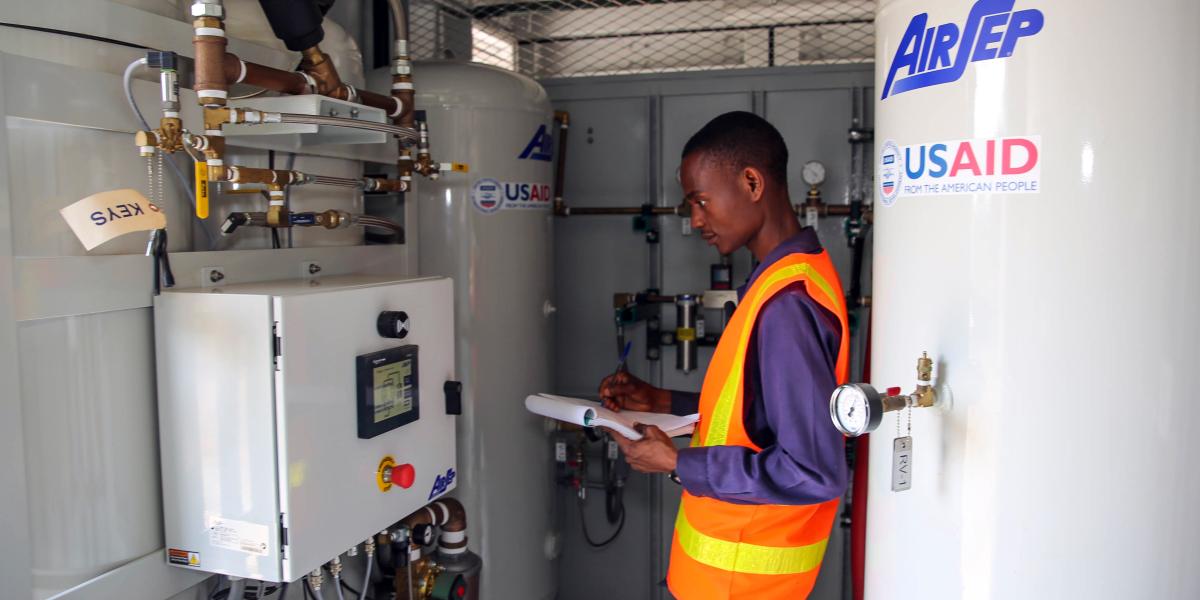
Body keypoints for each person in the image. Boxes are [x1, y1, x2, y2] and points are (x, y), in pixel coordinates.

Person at [600, 111, 850, 600]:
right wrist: (661, 400)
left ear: (752, 182)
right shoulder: (786, 280)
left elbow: (812, 470)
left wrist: (677, 463)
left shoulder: (786, 305)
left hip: (740, 586)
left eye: (700, 201)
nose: (695, 222)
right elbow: (753, 417)